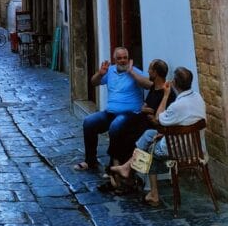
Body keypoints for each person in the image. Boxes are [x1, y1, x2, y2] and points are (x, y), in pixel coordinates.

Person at [109, 66, 206, 205]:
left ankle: (152, 192)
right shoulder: (198, 98)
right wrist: (164, 133)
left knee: (149, 149)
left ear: (174, 83)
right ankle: (128, 168)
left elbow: (158, 118)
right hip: (195, 148)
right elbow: (180, 123)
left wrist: (166, 95)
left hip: (176, 151)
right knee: (149, 134)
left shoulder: (177, 106)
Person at [74, 46, 151, 172]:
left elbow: (149, 85)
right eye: (119, 58)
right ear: (115, 60)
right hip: (109, 113)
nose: (123, 61)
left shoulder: (134, 71)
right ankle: (90, 161)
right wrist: (100, 74)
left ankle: (112, 165)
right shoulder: (110, 71)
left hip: (130, 114)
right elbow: (93, 82)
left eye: (125, 58)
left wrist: (132, 73)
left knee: (115, 126)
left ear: (129, 59)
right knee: (89, 122)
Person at [107, 59, 175, 167]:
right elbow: (146, 105)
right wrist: (144, 109)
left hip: (151, 126)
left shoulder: (167, 93)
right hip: (142, 120)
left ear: (155, 73)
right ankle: (115, 166)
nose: (148, 71)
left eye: (150, 69)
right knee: (118, 127)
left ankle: (125, 169)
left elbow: (164, 117)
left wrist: (153, 117)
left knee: (129, 137)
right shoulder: (153, 87)